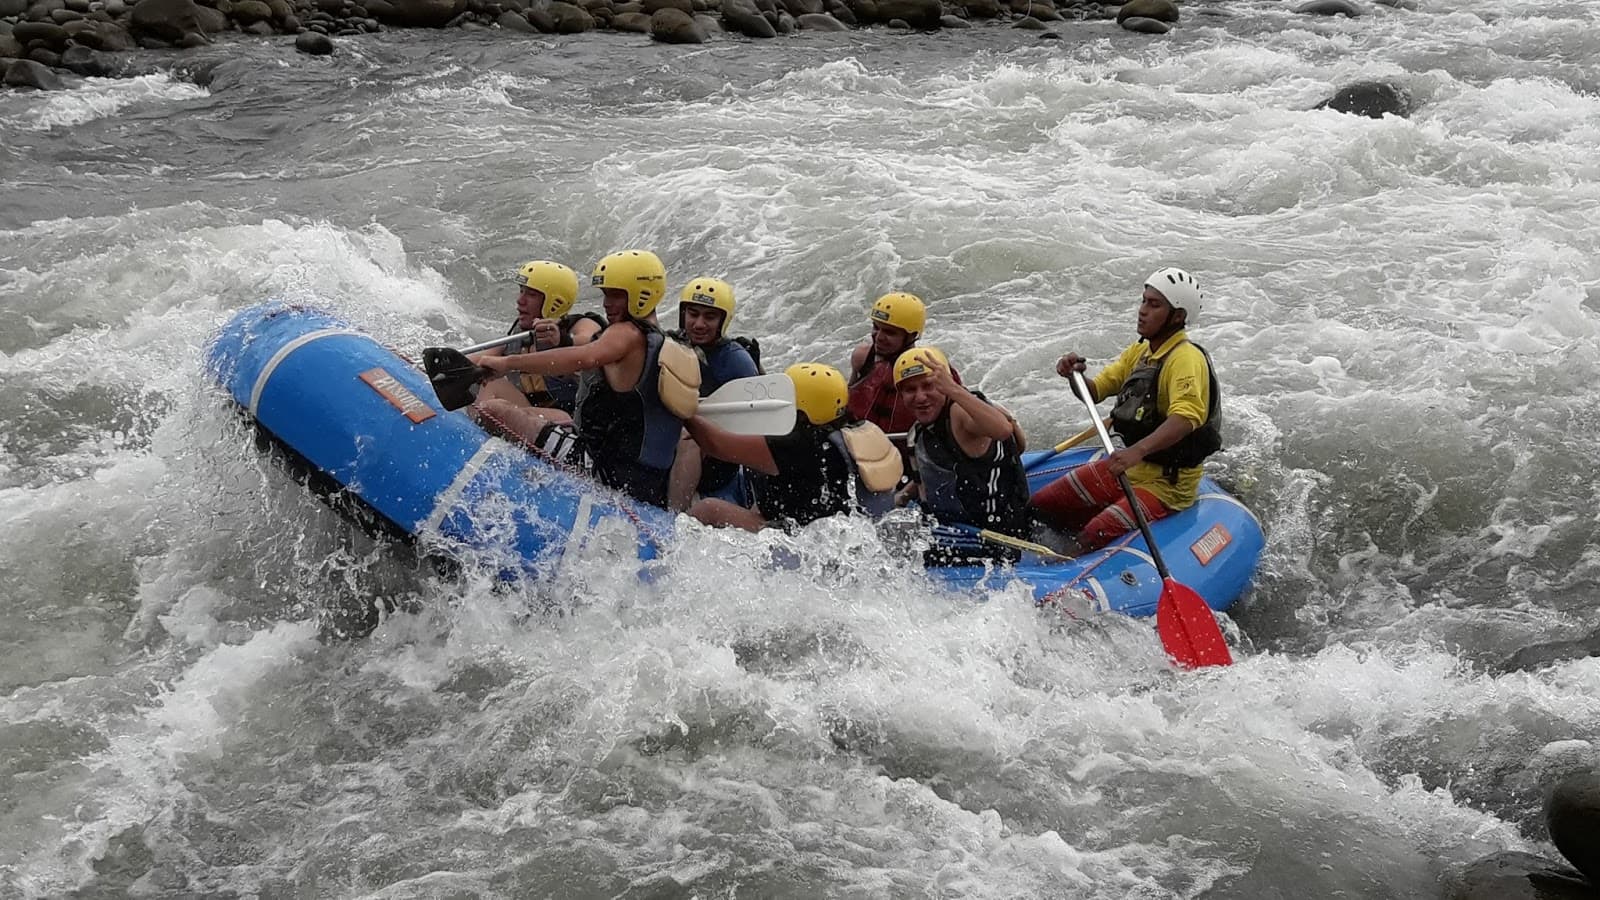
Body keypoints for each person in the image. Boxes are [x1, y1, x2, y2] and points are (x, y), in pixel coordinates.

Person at [476, 250, 702, 507]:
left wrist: (507, 363)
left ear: (642, 294)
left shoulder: (627, 334)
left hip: (601, 471)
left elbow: (583, 356)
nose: (606, 303)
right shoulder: (665, 343)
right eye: (606, 294)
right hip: (645, 483)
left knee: (492, 411)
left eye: (616, 294)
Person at [1030, 267, 1222, 551]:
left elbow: (1186, 418)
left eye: (1154, 305)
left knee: (1088, 539)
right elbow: (1094, 393)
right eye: (1143, 301)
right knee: (1038, 507)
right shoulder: (1141, 352)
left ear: (1178, 316)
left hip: (1166, 486)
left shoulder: (1185, 359)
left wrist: (1137, 451)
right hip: (1130, 469)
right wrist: (1075, 377)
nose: (1142, 310)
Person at [685, 363, 901, 532]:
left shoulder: (798, 444)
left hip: (799, 540)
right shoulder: (849, 429)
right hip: (835, 532)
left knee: (709, 509)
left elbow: (715, 444)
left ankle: (670, 556)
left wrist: (684, 411)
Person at [894, 347, 1032, 563]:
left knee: (898, 563)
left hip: (995, 538)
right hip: (953, 529)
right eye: (910, 390)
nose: (920, 397)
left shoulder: (959, 413)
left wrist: (953, 389)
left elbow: (1002, 430)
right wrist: (903, 496)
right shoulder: (920, 430)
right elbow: (932, 476)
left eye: (929, 385)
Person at [665, 277, 761, 511]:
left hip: (716, 457)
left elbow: (756, 424)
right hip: (668, 446)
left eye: (709, 317)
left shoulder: (736, 361)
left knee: (690, 438)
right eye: (693, 314)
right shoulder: (670, 345)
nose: (698, 324)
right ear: (682, 314)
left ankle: (675, 515)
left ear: (722, 321)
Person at [471, 260, 604, 412]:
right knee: (487, 383)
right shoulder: (518, 336)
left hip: (569, 420)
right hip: (531, 417)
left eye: (531, 294)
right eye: (521, 291)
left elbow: (590, 344)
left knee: (496, 405)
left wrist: (563, 340)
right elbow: (478, 361)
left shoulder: (580, 325)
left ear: (555, 302)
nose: (520, 301)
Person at [846, 291, 959, 435]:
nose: (878, 337)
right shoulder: (862, 357)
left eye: (889, 332)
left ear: (911, 336)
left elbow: (961, 414)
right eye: (876, 327)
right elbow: (847, 402)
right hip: (863, 445)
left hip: (907, 448)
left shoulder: (934, 370)